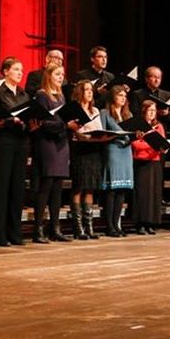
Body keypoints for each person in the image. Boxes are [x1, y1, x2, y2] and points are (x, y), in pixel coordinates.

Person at [0, 57, 31, 246]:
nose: (20, 73)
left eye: (21, 70)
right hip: (4, 142)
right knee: (2, 187)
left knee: (17, 189)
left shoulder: (24, 94)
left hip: (21, 142)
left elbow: (29, 117)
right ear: (5, 71)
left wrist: (30, 124)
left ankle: (15, 232)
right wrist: (10, 121)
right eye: (16, 69)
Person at [31, 63, 72, 242]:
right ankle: (38, 229)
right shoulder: (42, 95)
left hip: (61, 144)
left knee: (57, 188)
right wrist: (65, 125)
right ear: (48, 76)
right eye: (57, 74)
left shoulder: (62, 96)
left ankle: (54, 228)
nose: (60, 77)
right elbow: (43, 123)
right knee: (45, 187)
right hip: (47, 143)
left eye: (62, 74)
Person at [68, 79, 104, 240]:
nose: (90, 92)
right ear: (79, 92)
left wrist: (101, 137)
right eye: (86, 89)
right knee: (79, 187)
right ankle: (78, 227)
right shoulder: (74, 109)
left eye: (91, 89)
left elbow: (99, 130)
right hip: (80, 149)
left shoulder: (95, 110)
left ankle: (89, 226)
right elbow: (76, 133)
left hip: (94, 149)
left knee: (90, 187)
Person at [100, 85, 134, 237]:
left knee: (122, 190)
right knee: (112, 189)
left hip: (126, 151)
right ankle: (109, 226)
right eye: (120, 95)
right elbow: (101, 132)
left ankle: (117, 224)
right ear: (113, 96)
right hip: (113, 149)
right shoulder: (105, 113)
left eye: (124, 96)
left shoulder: (128, 115)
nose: (123, 98)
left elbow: (133, 132)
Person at [131, 100, 165, 234]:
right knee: (142, 194)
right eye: (149, 110)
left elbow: (161, 144)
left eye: (154, 110)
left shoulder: (158, 126)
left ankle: (150, 223)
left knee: (153, 194)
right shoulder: (138, 126)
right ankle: (140, 223)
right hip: (141, 162)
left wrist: (146, 143)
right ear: (144, 111)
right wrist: (150, 144)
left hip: (154, 162)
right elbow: (135, 145)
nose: (152, 113)